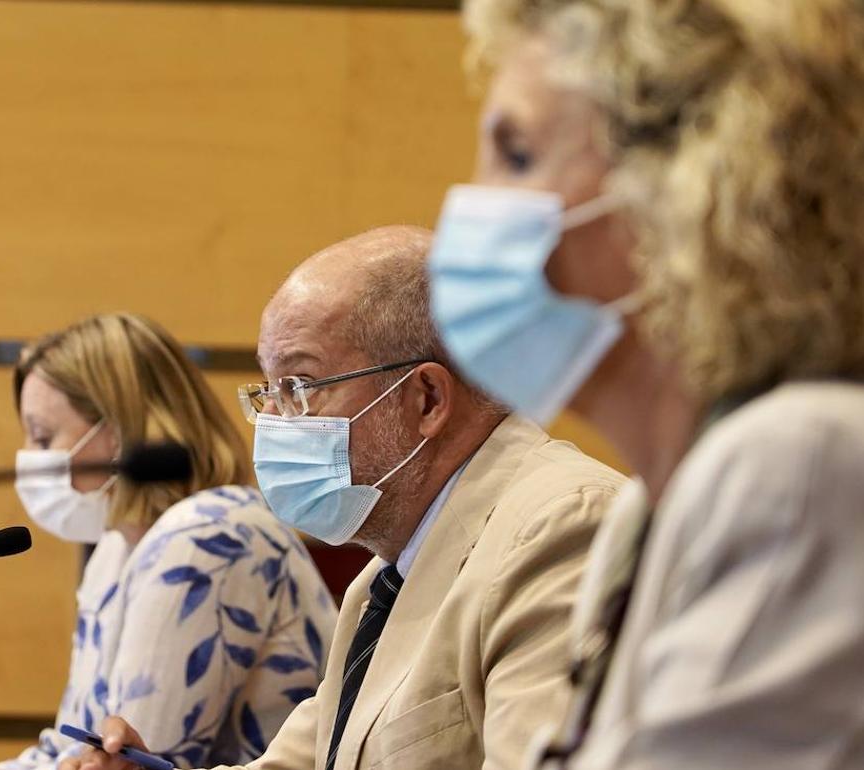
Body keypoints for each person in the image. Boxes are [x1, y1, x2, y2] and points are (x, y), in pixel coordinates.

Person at [424, 0, 864, 767]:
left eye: (515, 155)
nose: (468, 205)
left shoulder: (807, 471)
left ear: (685, 190)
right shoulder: (652, 509)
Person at [64, 226, 627, 770]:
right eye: (268, 391)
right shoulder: (382, 579)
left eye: (298, 387)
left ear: (427, 399)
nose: (273, 420)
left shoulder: (562, 527)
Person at [0, 313, 338, 770]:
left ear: (124, 428)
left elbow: (127, 763)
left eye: (43, 436)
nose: (30, 457)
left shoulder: (208, 535)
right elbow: (66, 754)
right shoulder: (116, 552)